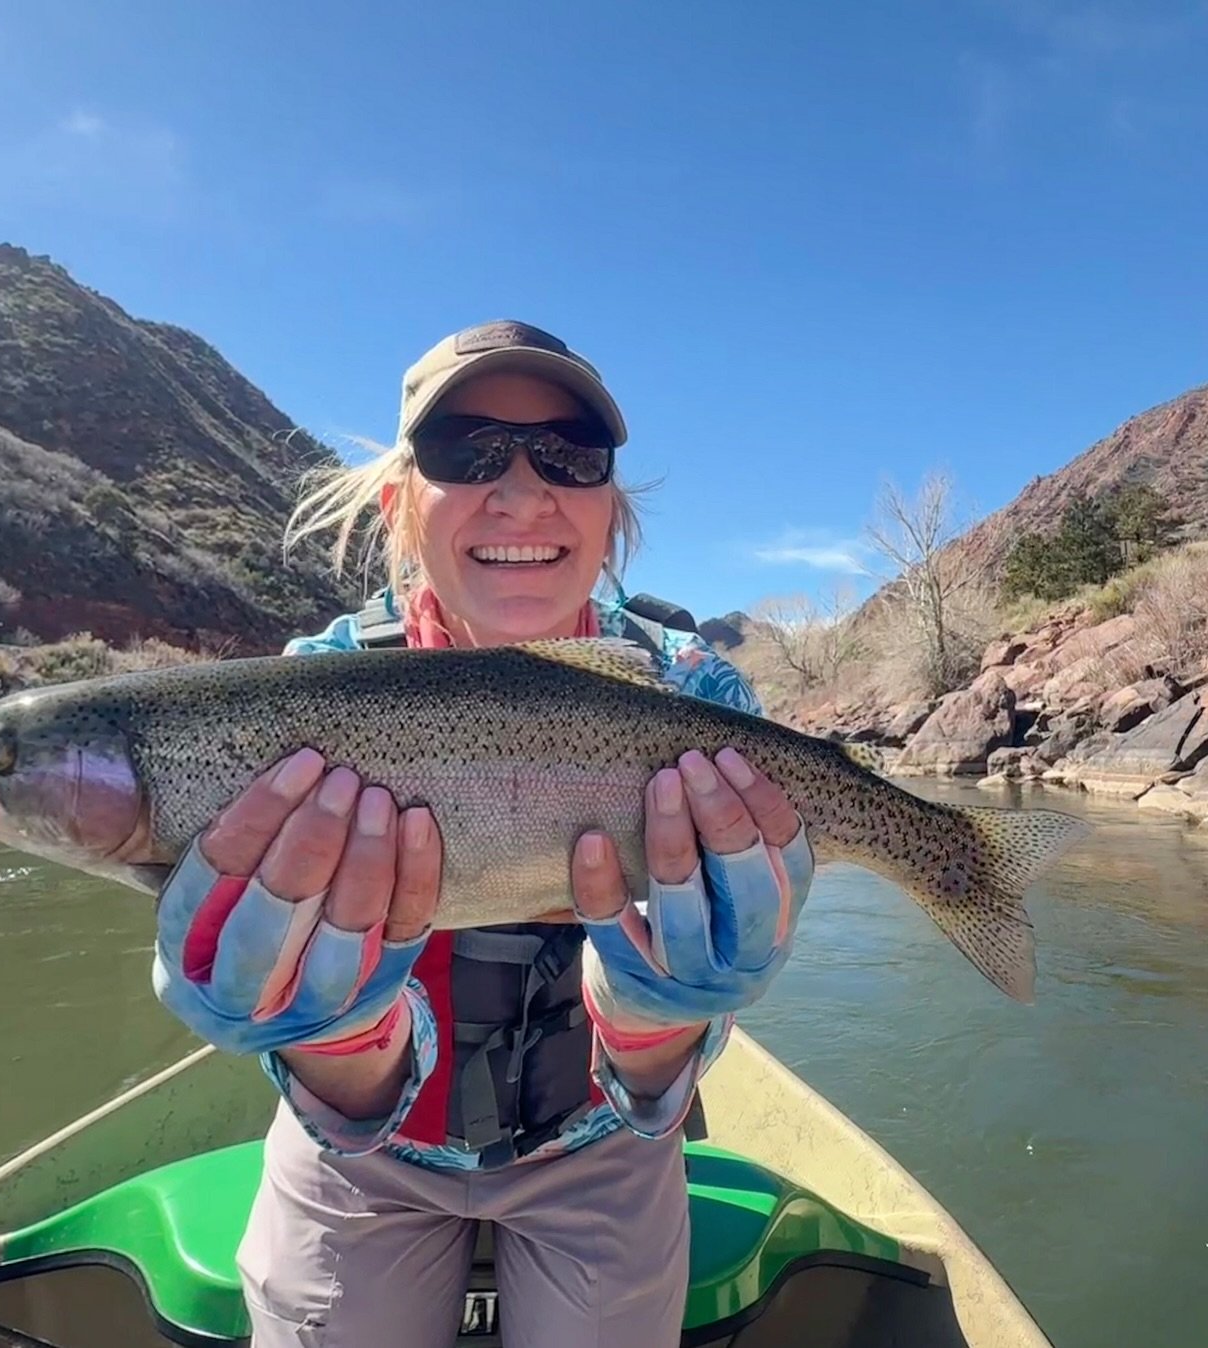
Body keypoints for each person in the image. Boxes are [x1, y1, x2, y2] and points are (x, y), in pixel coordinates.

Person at [151, 320, 815, 1347]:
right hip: (357, 1158)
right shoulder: (301, 698)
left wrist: (661, 1026)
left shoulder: (699, 697)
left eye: (568, 454)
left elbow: (671, 1058)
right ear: (400, 503)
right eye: (465, 448)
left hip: (607, 1144)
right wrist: (330, 1036)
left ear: (609, 515)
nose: (520, 490)